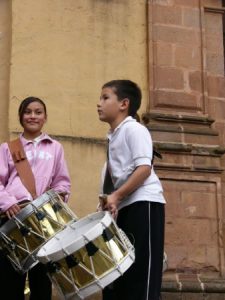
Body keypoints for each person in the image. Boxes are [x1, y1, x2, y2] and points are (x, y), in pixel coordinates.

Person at [97, 80, 166, 300]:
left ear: (124, 104)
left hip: (144, 204)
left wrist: (116, 195)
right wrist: (109, 200)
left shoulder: (134, 129)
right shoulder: (114, 136)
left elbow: (144, 168)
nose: (99, 103)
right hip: (127, 205)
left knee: (141, 276)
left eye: (105, 97)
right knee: (121, 276)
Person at [0, 96, 71, 300]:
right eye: (28, 112)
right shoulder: (7, 148)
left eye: (38, 112)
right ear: (21, 117)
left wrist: (58, 196)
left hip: (44, 221)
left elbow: (62, 182)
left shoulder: (55, 147)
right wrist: (8, 203)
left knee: (42, 282)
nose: (33, 116)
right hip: (12, 219)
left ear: (45, 117)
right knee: (9, 281)